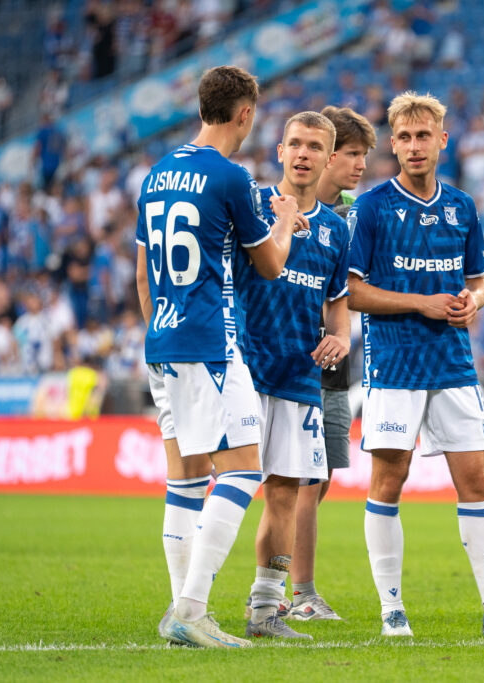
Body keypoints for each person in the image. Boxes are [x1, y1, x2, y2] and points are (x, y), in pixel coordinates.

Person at [346, 91, 484, 638]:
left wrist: (472, 302)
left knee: (477, 479)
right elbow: (353, 292)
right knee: (389, 479)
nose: (414, 146)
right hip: (394, 365)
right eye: (404, 137)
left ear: (442, 140)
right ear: (393, 145)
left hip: (454, 363)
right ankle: (392, 611)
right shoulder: (370, 208)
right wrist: (423, 304)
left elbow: (480, 281)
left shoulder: (463, 207)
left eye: (423, 136)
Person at [134, 65, 299, 648]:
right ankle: (191, 609)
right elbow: (271, 265)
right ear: (245, 114)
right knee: (244, 469)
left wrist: (162, 330)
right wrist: (284, 221)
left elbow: (143, 273)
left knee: (184, 480)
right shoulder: (230, 177)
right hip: (209, 343)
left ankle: (180, 610)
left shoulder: (157, 174)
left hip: (162, 341)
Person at [239, 111, 351, 639]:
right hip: (243, 372)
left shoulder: (336, 229)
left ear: (329, 159)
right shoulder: (252, 207)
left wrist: (341, 337)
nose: (304, 154)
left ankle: (265, 610)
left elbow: (338, 303)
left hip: (300, 380)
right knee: (227, 487)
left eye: (315, 147)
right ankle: (189, 602)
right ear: (280, 151)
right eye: (296, 144)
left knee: (284, 494)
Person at [272, 105, 376, 622]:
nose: (360, 165)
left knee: (322, 476)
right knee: (301, 482)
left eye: (364, 155)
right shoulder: (284, 211)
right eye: (352, 154)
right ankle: (298, 592)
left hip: (334, 365)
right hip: (289, 361)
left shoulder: (352, 215)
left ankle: (286, 588)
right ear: (330, 157)